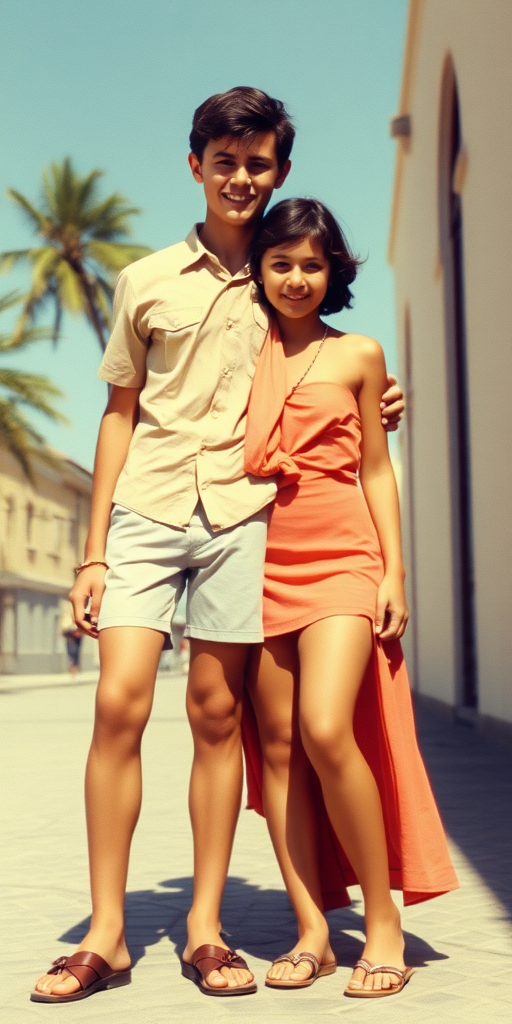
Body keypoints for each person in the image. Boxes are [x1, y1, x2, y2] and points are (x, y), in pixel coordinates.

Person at [31, 90, 404, 1003]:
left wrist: (383, 404)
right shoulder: (146, 280)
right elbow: (117, 416)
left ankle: (205, 928)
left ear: (278, 170)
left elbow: (335, 375)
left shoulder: (283, 282)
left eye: (260, 163)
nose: (243, 178)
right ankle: (109, 934)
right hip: (150, 514)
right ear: (195, 164)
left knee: (215, 715)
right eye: (226, 162)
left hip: (244, 519)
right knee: (118, 702)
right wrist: (91, 550)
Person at [242, 198, 458, 998]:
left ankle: (382, 923)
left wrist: (394, 572)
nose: (297, 278)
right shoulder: (239, 353)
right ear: (259, 271)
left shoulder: (361, 354)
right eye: (281, 263)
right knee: (276, 751)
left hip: (342, 555)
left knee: (328, 727)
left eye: (312, 264)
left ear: (333, 272)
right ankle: (310, 930)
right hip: (256, 558)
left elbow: (375, 466)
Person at [60, 604, 83, 680]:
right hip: (71, 638)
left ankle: (74, 672)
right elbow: (64, 630)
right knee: (72, 654)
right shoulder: (67, 619)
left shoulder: (76, 618)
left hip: (76, 638)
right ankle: (73, 673)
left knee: (75, 654)